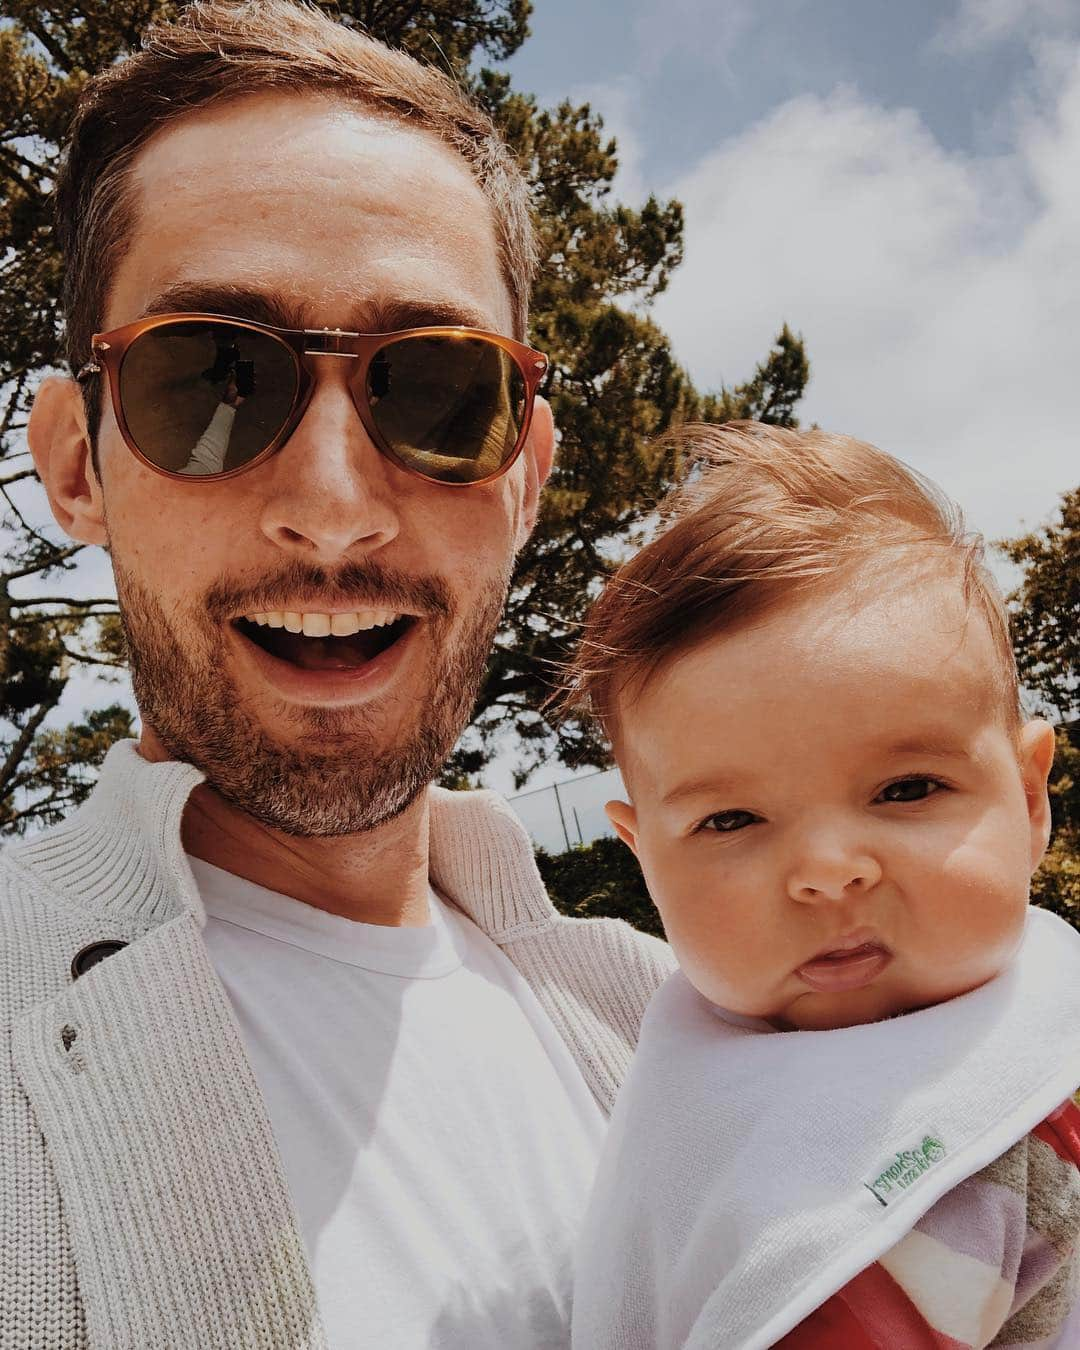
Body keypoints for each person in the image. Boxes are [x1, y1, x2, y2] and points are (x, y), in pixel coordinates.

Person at [3, 3, 676, 1346]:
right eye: (213, 377)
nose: (332, 508)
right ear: (76, 462)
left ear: (529, 470)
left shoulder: (675, 1014)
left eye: (435, 391)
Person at [560, 422, 1080, 1349]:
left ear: (1030, 795)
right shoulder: (854, 1225)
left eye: (908, 788)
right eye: (730, 821)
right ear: (644, 859)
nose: (828, 870)